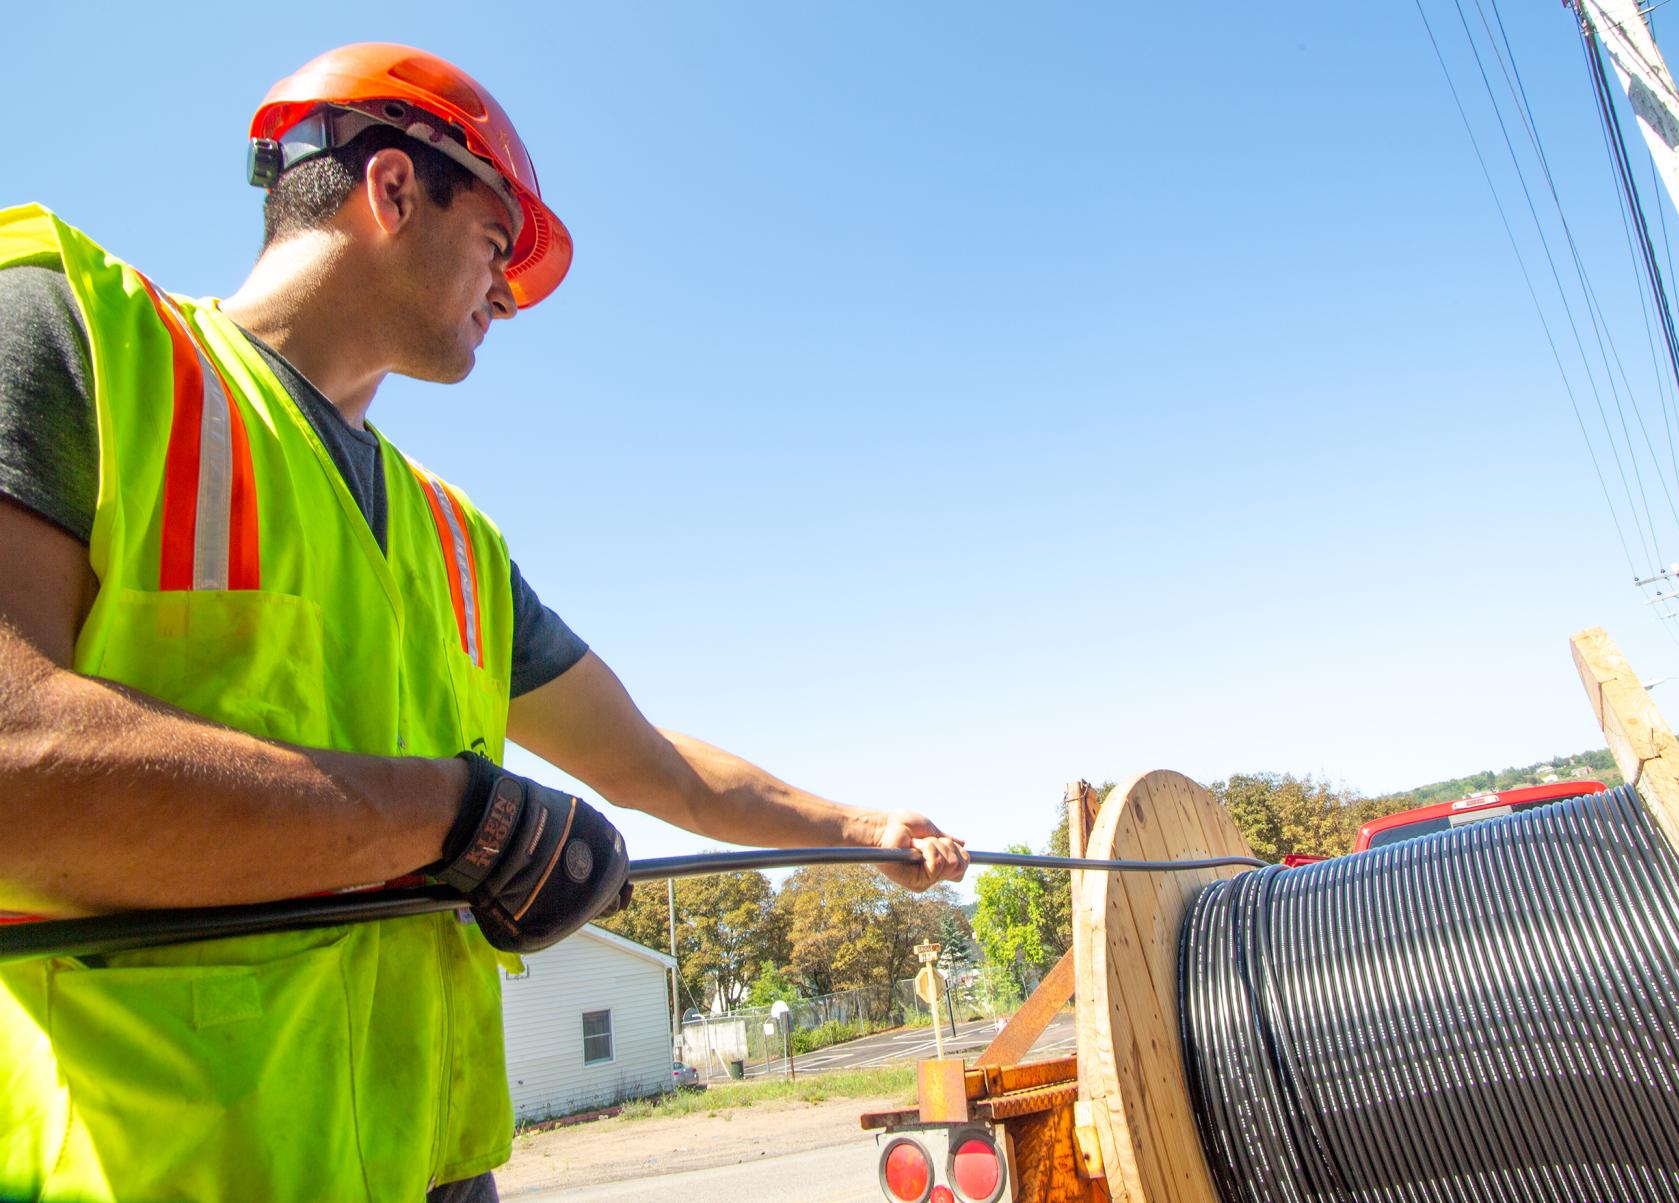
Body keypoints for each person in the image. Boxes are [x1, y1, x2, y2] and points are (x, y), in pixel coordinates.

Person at [0, 43, 968, 1203]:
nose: (507, 295)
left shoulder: (454, 544)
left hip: (441, 1175)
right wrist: (457, 818)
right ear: (394, 189)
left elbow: (658, 769)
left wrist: (858, 823)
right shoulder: (80, 341)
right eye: (495, 246)